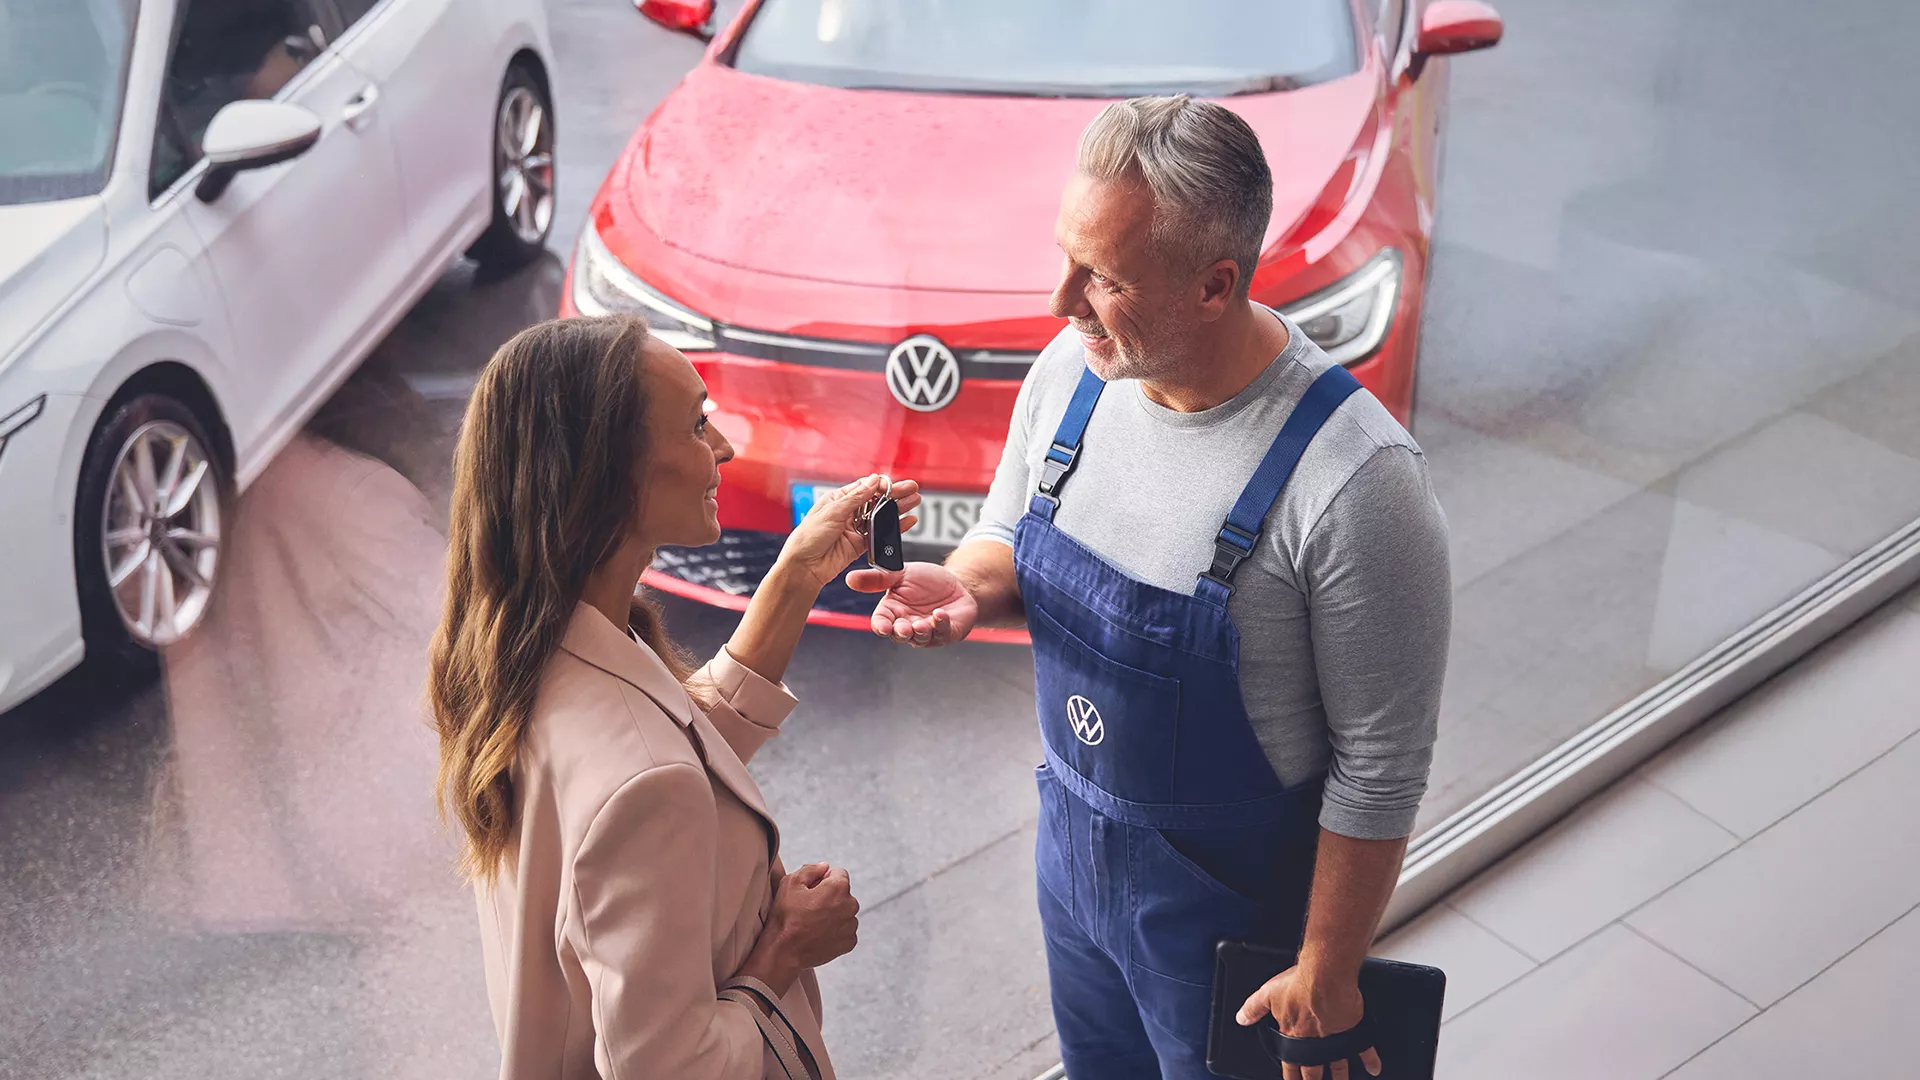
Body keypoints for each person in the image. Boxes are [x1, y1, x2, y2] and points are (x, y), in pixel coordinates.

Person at [850, 97, 1452, 1080]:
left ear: (1215, 285)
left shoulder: (1356, 483)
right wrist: (968, 586)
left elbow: (1383, 761)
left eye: (1104, 278)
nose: (1059, 301)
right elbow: (1011, 531)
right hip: (1076, 876)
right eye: (1065, 256)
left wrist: (1330, 969)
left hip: (1240, 935)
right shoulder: (1073, 371)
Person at [429, 315, 920, 1079]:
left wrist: (796, 574)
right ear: (606, 473)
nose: (722, 447)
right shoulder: (643, 781)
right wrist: (786, 948)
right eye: (696, 425)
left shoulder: (530, 651)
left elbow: (677, 737)